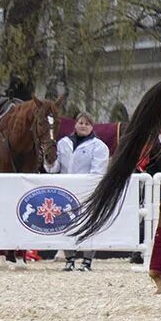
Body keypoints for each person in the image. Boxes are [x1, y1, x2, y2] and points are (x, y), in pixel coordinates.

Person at [57, 114, 110, 271]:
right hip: (66, 190)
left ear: (92, 127)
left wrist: (85, 185)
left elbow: (97, 171)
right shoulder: (63, 143)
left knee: (89, 223)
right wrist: (49, 161)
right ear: (75, 124)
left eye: (87, 123)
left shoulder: (99, 146)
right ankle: (69, 258)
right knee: (66, 224)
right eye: (81, 123)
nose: (83, 126)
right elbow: (56, 168)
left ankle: (87, 260)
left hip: (87, 190)